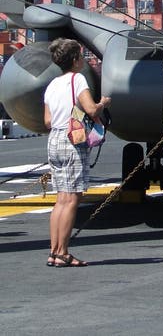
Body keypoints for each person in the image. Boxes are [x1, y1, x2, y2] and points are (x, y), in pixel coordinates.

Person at [43, 38, 111, 268]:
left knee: (61, 198)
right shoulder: (77, 79)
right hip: (73, 142)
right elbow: (91, 109)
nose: (83, 60)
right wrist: (103, 103)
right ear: (74, 60)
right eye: (81, 56)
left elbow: (47, 120)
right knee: (73, 198)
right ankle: (63, 252)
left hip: (55, 140)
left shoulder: (52, 84)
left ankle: (53, 251)